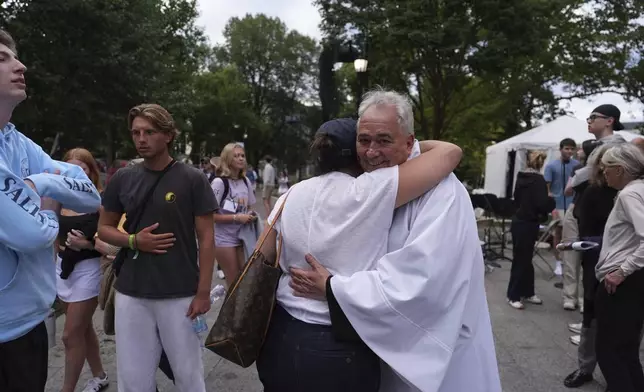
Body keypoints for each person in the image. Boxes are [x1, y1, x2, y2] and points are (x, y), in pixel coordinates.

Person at [286, 89, 500, 391]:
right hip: (384, 348)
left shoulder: (443, 193)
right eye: (364, 141)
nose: (371, 152)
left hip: (432, 351)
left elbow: (421, 284)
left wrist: (334, 289)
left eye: (384, 140)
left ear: (409, 142)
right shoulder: (379, 181)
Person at [255, 114, 462, 392]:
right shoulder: (371, 190)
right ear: (355, 152)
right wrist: (404, 144)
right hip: (337, 343)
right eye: (364, 142)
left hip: (279, 335)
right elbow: (449, 152)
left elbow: (262, 254)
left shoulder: (290, 194)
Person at [0, 29, 102, 392]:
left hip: (28, 324)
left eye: (15, 56)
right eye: (3, 59)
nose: (20, 65)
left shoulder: (17, 141)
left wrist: (40, 185)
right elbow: (34, 235)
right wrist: (48, 214)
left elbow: (90, 194)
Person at [97, 104, 216, 392]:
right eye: (136, 132)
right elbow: (104, 228)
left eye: (149, 132)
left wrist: (203, 293)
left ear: (168, 135)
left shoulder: (192, 179)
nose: (141, 138)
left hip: (179, 294)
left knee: (188, 375)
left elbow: (208, 237)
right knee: (133, 377)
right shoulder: (123, 178)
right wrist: (134, 240)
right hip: (131, 292)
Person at [563, 142, 617, 389]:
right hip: (596, 260)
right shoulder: (592, 192)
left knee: (620, 321)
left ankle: (616, 374)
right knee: (591, 314)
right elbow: (582, 225)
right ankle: (586, 367)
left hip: (626, 266)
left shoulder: (631, 192)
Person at [56, 148, 109, 392]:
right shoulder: (57, 197)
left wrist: (86, 244)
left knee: (69, 335)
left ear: (91, 172)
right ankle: (100, 375)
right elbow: (49, 230)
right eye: (71, 168)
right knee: (83, 328)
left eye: (82, 169)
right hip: (62, 270)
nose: (76, 174)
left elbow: (111, 244)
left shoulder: (99, 201)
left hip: (88, 270)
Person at [594, 143, 644, 392]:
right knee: (627, 351)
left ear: (621, 170)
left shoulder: (629, 194)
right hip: (634, 279)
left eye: (607, 168)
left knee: (609, 351)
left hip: (622, 282)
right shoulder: (639, 190)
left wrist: (621, 272)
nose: (604, 172)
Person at [506, 151, 555, 309]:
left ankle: (527, 291)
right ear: (541, 163)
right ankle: (513, 295)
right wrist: (551, 201)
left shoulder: (520, 177)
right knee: (522, 259)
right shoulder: (539, 180)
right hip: (529, 222)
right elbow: (542, 204)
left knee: (524, 258)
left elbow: (516, 199)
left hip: (519, 221)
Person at [211, 142, 256, 287]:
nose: (241, 158)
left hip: (243, 237)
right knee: (234, 283)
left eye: (242, 155)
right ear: (228, 159)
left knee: (245, 280)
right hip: (224, 240)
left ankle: (241, 309)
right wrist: (237, 218)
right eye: (236, 156)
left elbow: (248, 207)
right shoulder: (219, 183)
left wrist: (250, 215)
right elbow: (209, 216)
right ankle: (232, 309)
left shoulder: (245, 181)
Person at [544, 138, 579, 276]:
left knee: (571, 234)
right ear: (561, 149)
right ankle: (558, 262)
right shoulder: (551, 166)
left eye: (572, 149)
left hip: (572, 203)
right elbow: (547, 189)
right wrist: (551, 207)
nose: (569, 151)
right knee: (558, 234)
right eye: (567, 148)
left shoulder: (577, 165)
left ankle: (568, 261)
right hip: (557, 204)